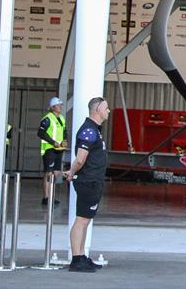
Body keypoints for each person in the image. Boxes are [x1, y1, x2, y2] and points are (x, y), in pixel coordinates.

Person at [63, 97, 110, 273]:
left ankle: (81, 256)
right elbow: (81, 159)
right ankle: (76, 259)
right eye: (106, 108)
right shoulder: (89, 131)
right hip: (88, 181)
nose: (108, 111)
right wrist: (72, 171)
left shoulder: (95, 131)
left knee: (86, 220)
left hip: (94, 180)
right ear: (97, 110)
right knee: (81, 220)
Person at [38, 96, 67, 205]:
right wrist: (52, 142)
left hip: (59, 148)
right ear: (53, 107)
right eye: (58, 105)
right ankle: (46, 197)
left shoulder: (61, 118)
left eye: (60, 105)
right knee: (49, 172)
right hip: (49, 149)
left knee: (56, 172)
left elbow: (64, 131)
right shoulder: (47, 119)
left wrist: (65, 140)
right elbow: (40, 133)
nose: (60, 107)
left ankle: (51, 195)